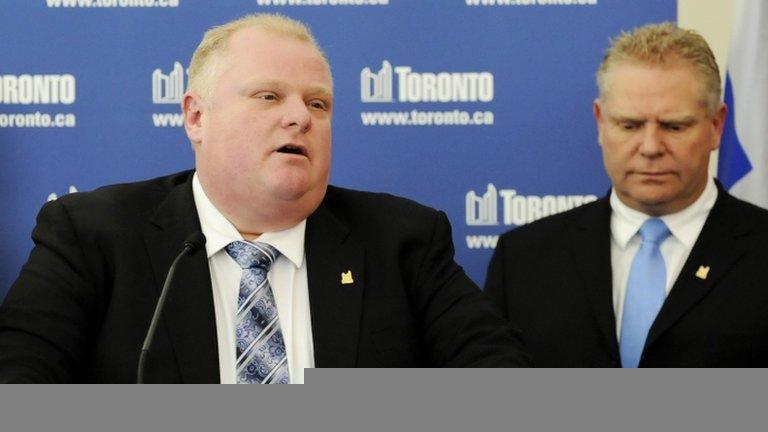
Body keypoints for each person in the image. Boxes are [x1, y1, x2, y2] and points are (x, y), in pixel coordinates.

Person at [0, 14, 530, 383]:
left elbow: (501, 383)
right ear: (196, 116)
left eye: (318, 103)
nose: (300, 116)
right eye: (269, 96)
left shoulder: (401, 241)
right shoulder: (93, 235)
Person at [485, 22, 768, 367]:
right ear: (601, 123)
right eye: (630, 126)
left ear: (716, 126)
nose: (650, 148)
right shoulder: (524, 259)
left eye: (674, 126)